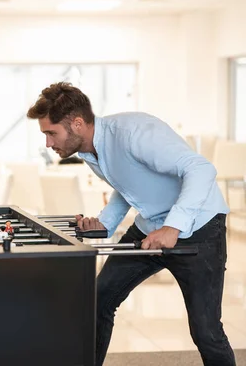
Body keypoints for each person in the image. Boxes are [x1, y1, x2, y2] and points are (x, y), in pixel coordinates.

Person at [26, 82, 235, 366]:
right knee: (99, 300)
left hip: (200, 226)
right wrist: (104, 224)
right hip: (151, 225)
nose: (48, 143)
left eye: (51, 133)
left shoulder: (134, 133)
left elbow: (201, 169)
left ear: (77, 124)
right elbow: (126, 186)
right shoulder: (90, 152)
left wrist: (173, 227)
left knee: (206, 331)